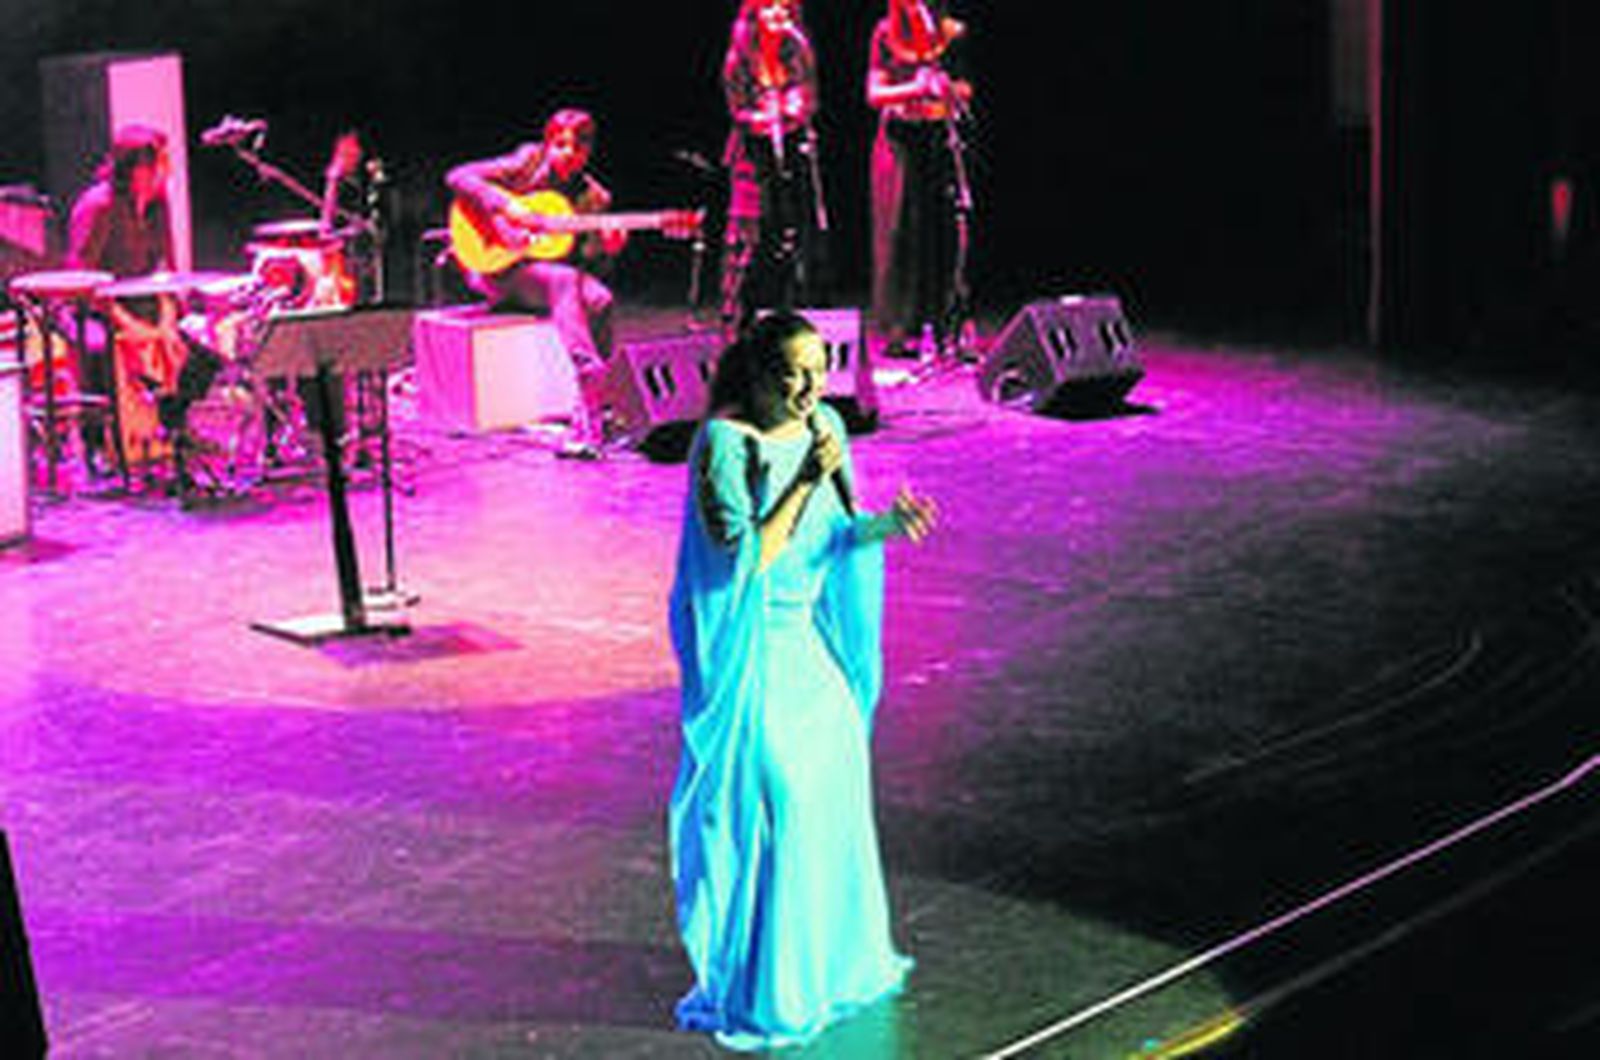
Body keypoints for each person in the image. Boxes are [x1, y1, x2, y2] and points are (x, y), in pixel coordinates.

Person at [667, 310, 937, 1050]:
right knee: (779, 796)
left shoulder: (828, 431)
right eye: (794, 372)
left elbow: (842, 532)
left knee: (830, 789)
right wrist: (803, 479)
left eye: (820, 371)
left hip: (808, 660)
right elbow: (742, 561)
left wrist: (888, 526)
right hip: (756, 656)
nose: (812, 386)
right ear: (758, 375)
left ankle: (833, 967)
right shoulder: (724, 445)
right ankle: (771, 984)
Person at [446, 109, 626, 455]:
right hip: (496, 269)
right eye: (559, 145)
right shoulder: (526, 162)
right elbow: (458, 176)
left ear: (589, 152)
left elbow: (590, 264)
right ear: (547, 145)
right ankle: (587, 375)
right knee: (563, 282)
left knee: (601, 298)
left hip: (545, 276)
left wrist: (608, 248)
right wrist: (506, 207)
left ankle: (597, 404)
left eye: (577, 148)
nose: (567, 154)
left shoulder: (595, 198)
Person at [66, 123, 184, 472]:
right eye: (159, 162)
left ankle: (172, 432)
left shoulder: (158, 203)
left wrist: (168, 319)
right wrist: (128, 323)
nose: (166, 170)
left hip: (142, 301)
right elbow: (81, 281)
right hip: (93, 310)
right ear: (136, 167)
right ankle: (100, 442)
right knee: (103, 349)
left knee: (191, 340)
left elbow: (168, 266)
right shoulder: (98, 206)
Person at [867, 0, 974, 359]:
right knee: (900, 234)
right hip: (900, 142)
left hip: (939, 139)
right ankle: (901, 330)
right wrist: (914, 89)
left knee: (946, 231)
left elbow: (965, 90)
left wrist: (948, 91)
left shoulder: (952, 33)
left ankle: (949, 328)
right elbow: (875, 93)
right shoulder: (886, 33)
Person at [720, 0, 826, 330]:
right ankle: (739, 325)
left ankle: (785, 322)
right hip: (753, 160)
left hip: (792, 156)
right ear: (755, 15)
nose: (779, 13)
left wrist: (797, 109)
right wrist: (764, 117)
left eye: (785, 6)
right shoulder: (738, 59)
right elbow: (738, 111)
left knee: (790, 240)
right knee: (751, 242)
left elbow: (809, 99)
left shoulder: (797, 51)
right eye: (769, 6)